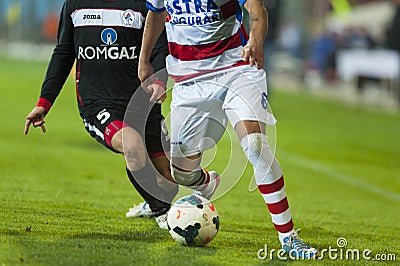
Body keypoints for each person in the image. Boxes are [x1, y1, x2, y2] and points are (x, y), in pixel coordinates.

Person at [138, 0, 318, 258]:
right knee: (182, 174)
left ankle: (288, 238)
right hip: (189, 81)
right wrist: (144, 60)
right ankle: (207, 183)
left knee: (255, 145)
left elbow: (257, 9)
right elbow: (155, 14)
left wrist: (255, 39)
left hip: (236, 70)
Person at [24, 0, 178, 229]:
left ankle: (154, 201)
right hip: (98, 103)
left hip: (142, 101)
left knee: (169, 180)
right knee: (133, 147)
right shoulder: (75, 4)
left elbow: (159, 46)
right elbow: (64, 53)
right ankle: (164, 214)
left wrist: (158, 80)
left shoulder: (141, 4)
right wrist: (44, 102)